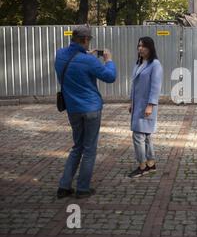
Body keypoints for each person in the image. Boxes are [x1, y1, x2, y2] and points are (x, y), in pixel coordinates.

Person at [54, 25, 116, 199]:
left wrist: (84, 56)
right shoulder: (89, 61)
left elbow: (73, 68)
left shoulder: (60, 54)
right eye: (88, 40)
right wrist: (108, 60)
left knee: (77, 147)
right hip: (90, 109)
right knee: (89, 149)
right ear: (85, 40)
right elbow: (110, 77)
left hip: (72, 108)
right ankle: (82, 188)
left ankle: (64, 186)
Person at [128, 37, 163, 178]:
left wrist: (150, 105)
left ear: (150, 48)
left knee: (138, 135)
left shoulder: (155, 65)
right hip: (137, 105)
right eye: (139, 46)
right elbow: (134, 86)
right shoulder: (139, 63)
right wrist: (131, 102)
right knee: (146, 136)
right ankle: (151, 163)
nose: (140, 48)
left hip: (147, 106)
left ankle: (142, 166)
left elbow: (156, 87)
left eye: (144, 46)